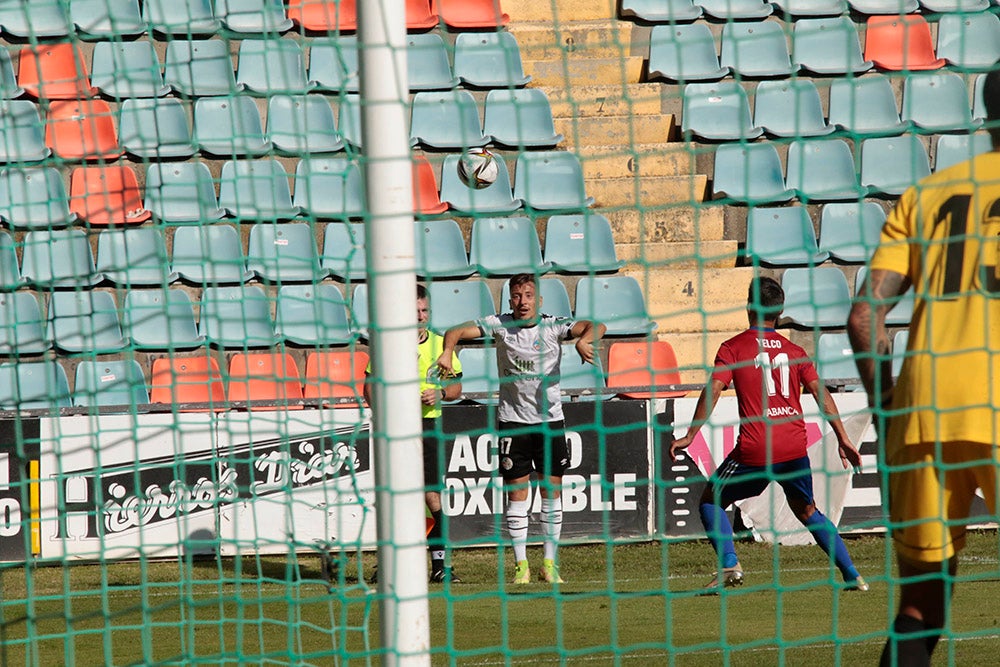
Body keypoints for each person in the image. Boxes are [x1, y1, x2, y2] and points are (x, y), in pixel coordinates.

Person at [847, 68, 1000, 667]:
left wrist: (886, 410)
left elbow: (864, 318)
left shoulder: (928, 194)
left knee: (919, 609)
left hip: (923, 411)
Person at [671, 276, 867, 594]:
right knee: (808, 511)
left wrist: (691, 434)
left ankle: (729, 565)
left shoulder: (733, 348)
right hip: (793, 446)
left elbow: (715, 388)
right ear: (780, 311)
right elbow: (820, 393)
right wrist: (843, 437)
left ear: (749, 306)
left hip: (756, 447)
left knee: (712, 500)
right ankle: (852, 575)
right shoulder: (795, 350)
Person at [437, 273, 604, 585]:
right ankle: (521, 566)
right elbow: (455, 330)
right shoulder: (499, 324)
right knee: (517, 495)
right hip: (513, 422)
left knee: (551, 493)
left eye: (529, 295)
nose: (522, 301)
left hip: (550, 421)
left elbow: (595, 324)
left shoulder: (554, 325)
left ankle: (550, 564)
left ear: (538, 300)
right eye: (516, 296)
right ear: (509, 299)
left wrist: (584, 340)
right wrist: (448, 350)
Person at [363, 284, 464, 584]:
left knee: (433, 496)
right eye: (415, 311)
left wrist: (440, 393)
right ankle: (391, 564)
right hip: (396, 430)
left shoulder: (440, 346)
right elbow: (368, 389)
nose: (421, 316)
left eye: (424, 311)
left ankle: (440, 565)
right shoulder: (387, 345)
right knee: (396, 497)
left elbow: (458, 388)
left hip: (429, 427)